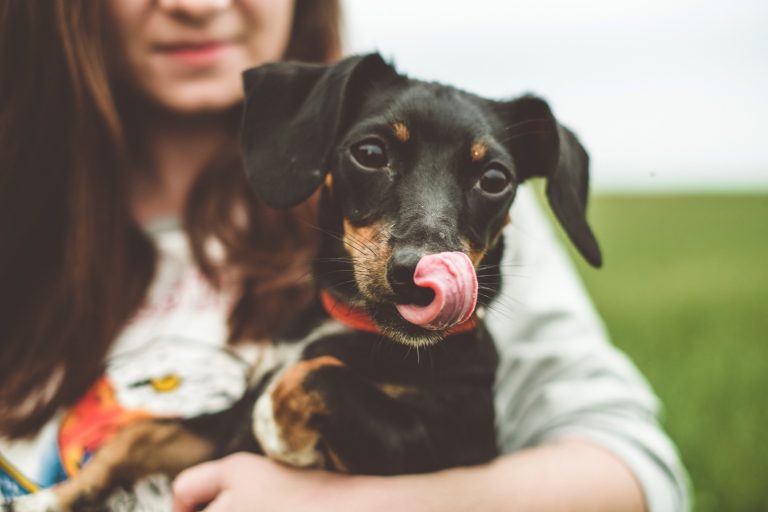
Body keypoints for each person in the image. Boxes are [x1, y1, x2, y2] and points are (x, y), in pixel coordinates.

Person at [0, 1, 689, 511]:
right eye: (371, 155)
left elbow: (636, 470)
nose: (196, 5)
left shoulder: (486, 238)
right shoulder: (22, 238)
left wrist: (338, 505)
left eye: (488, 181)